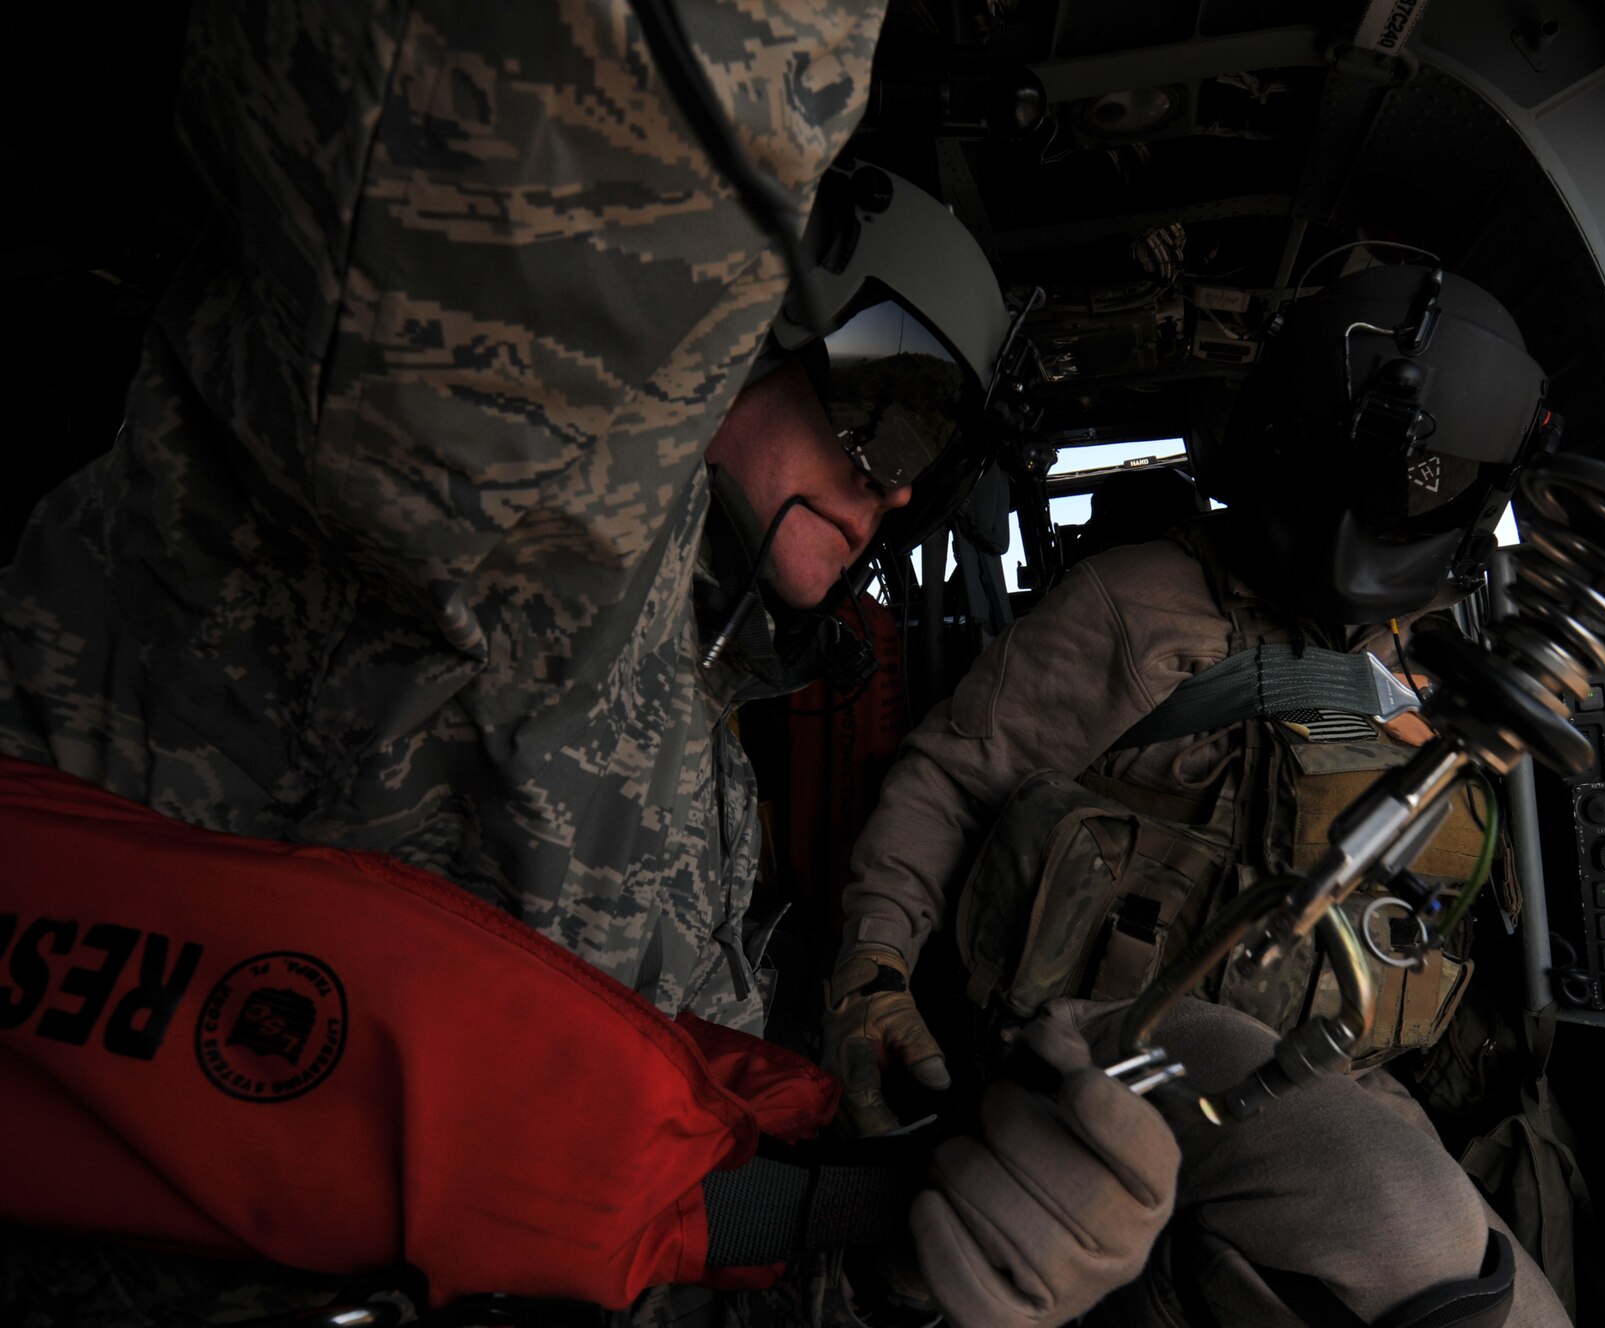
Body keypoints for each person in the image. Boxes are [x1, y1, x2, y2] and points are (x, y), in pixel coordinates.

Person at [0, 6, 1174, 1326]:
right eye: (888, 415)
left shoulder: (704, 704)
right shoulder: (475, 548)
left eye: (931, 456)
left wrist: (886, 1235)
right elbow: (537, 188)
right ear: (737, 338)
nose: (897, 497)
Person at [824, 264, 1576, 1326]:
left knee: (1465, 1282)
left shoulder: (1434, 669)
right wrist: (874, 965)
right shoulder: (1133, 610)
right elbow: (951, 778)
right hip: (1083, 1080)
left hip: (1327, 1090)